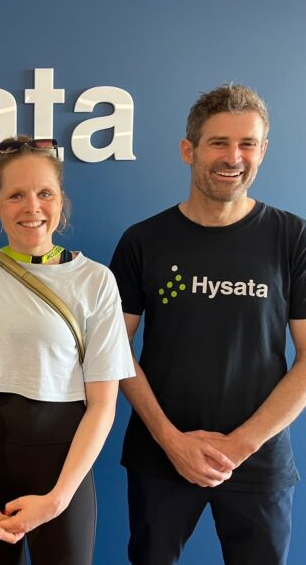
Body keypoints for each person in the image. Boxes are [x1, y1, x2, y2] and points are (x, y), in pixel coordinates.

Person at [109, 84, 306, 565]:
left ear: (263, 150)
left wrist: (240, 446)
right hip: (160, 455)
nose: (233, 157)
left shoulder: (292, 237)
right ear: (189, 150)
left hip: (258, 458)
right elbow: (112, 349)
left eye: (247, 144)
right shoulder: (143, 240)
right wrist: (171, 440)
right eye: (219, 142)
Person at [0, 136, 134, 565]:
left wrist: (57, 499)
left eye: (45, 193)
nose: (32, 207)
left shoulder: (96, 281)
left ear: (61, 202)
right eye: (16, 195)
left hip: (63, 468)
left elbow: (103, 405)